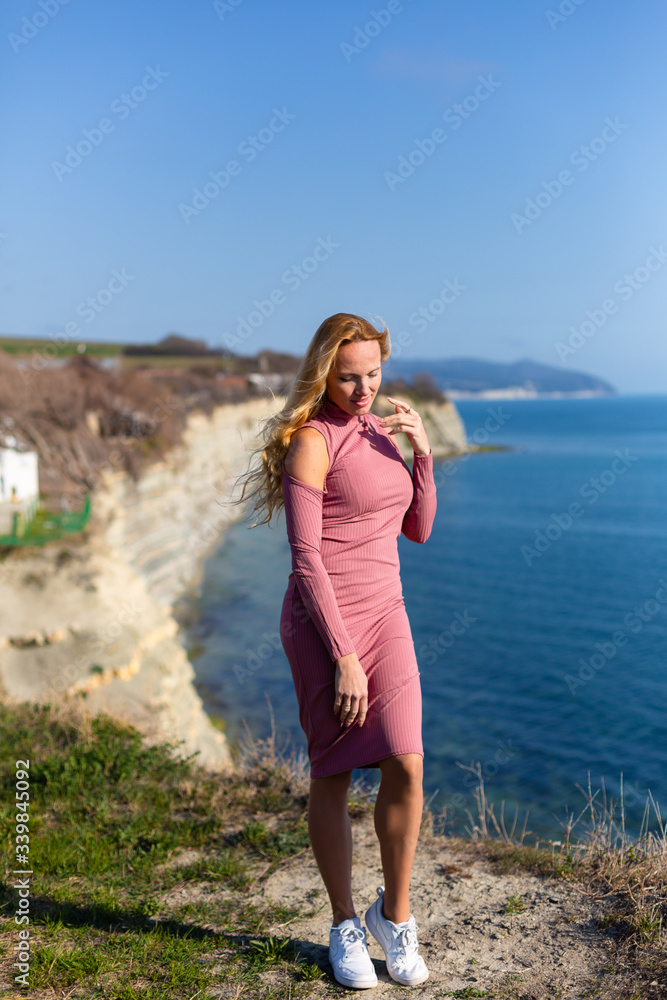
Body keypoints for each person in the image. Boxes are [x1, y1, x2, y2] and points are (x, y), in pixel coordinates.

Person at [238, 313, 437, 989]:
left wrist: (422, 454)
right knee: (332, 772)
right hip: (325, 626)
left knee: (406, 761)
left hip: (387, 612)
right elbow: (304, 557)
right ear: (325, 372)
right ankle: (344, 923)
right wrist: (343, 656)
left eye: (372, 373)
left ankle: (395, 916)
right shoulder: (311, 444)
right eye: (348, 376)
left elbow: (418, 529)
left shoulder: (382, 432)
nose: (361, 388)